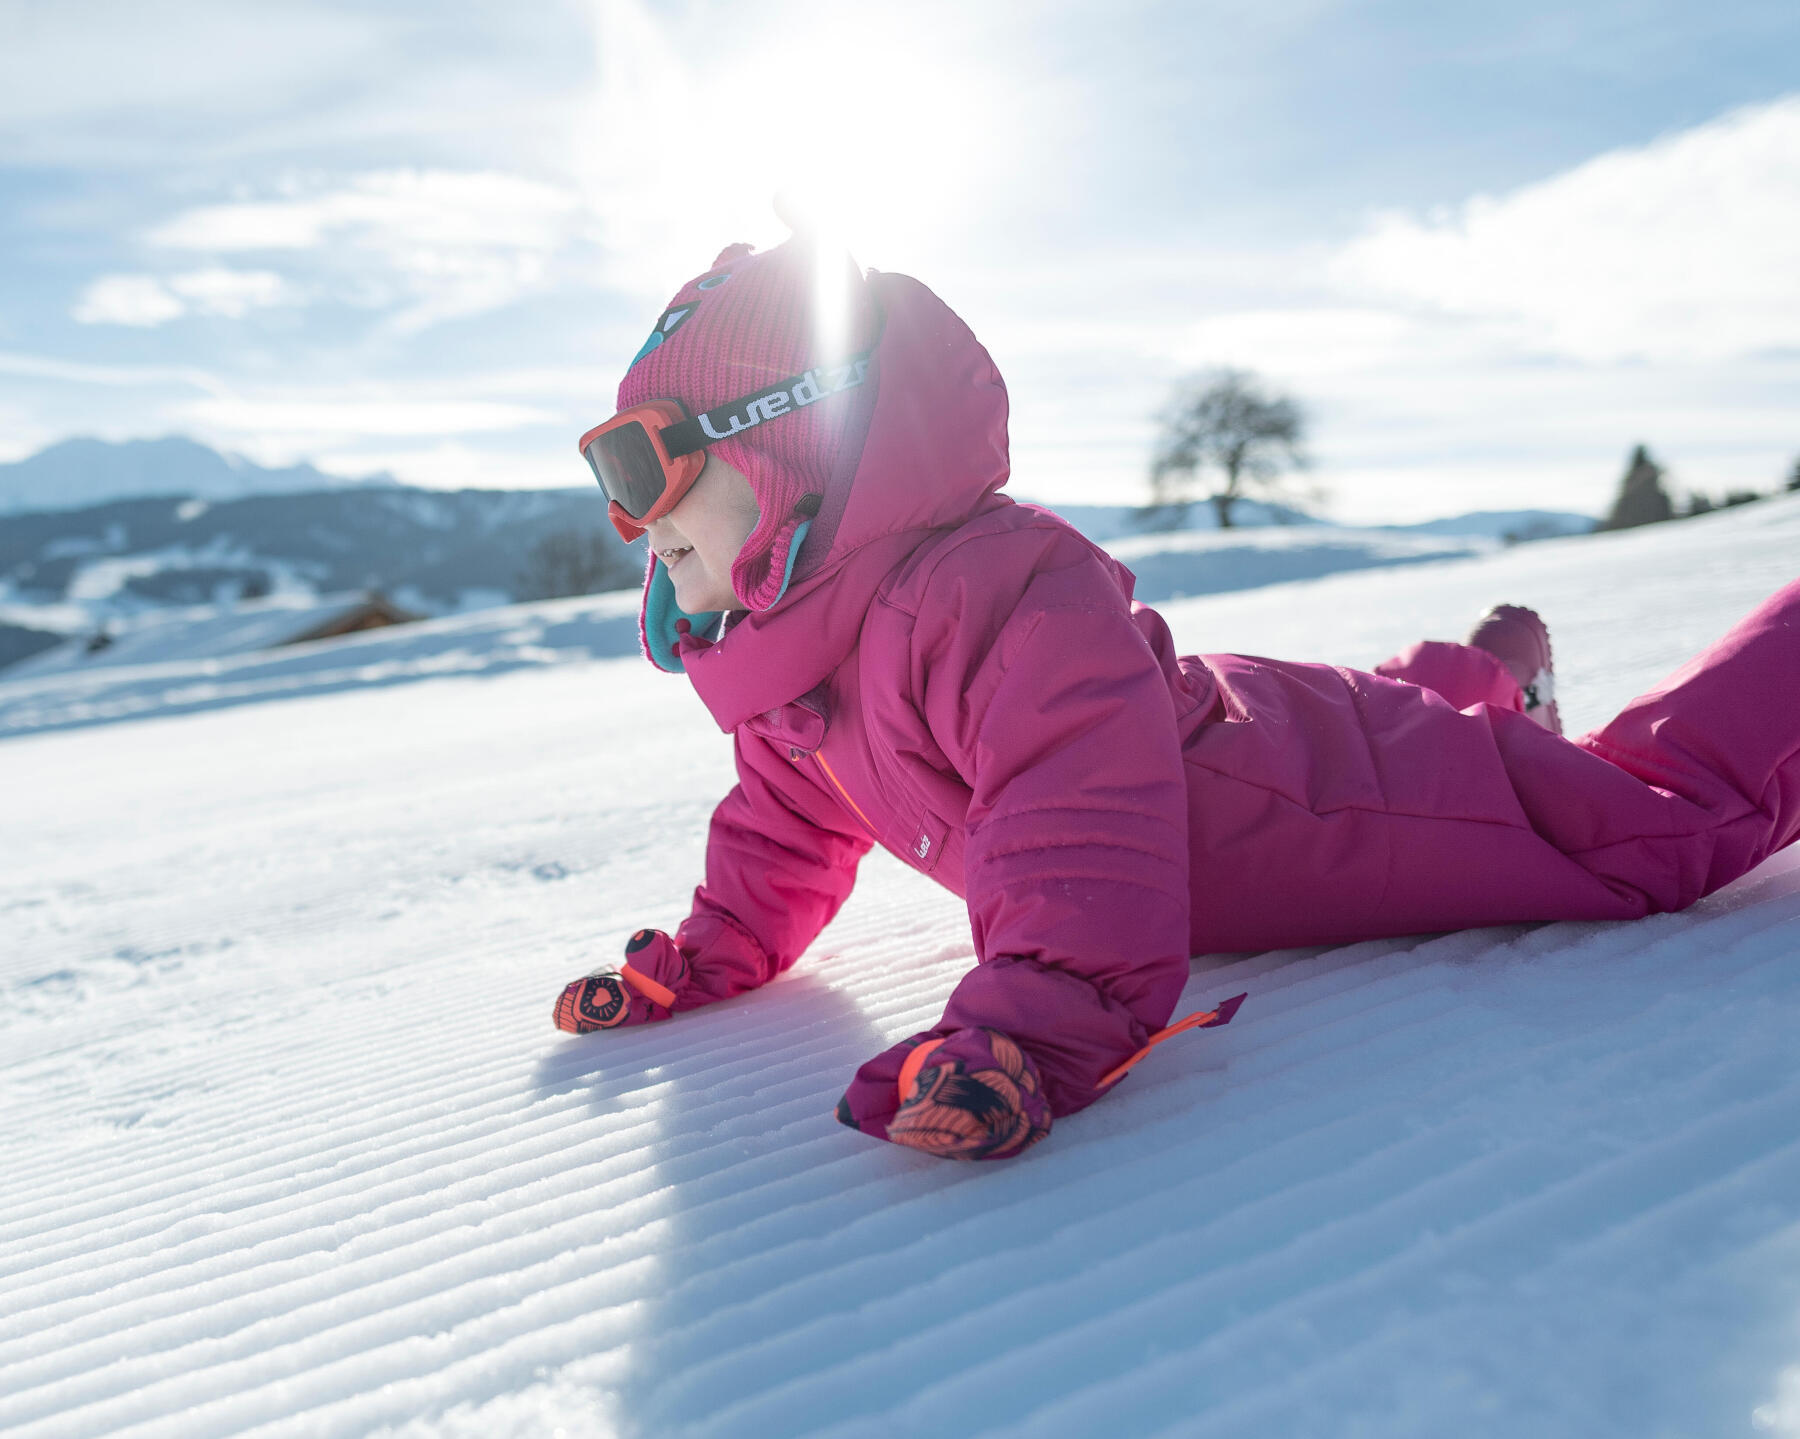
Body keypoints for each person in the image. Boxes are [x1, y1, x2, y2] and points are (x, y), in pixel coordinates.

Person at [553, 233, 1800, 1163]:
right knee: (1414, 724)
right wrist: (707, 957)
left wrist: (1033, 1027)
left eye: (646, 460)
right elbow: (784, 826)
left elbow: (1075, 818)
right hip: (1234, 741)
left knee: (1658, 830)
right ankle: (1493, 677)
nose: (629, 516)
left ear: (795, 440)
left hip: (1311, 791)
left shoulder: (989, 595)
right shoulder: (795, 661)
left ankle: (1523, 702)